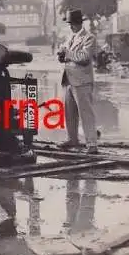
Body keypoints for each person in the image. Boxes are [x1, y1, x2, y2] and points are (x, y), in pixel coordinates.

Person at [57, 9, 99, 154]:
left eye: (72, 23)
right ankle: (72, 139)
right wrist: (61, 55)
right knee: (69, 112)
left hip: (82, 81)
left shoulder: (89, 38)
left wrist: (67, 54)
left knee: (86, 113)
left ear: (79, 23)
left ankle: (92, 144)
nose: (71, 26)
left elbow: (84, 57)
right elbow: (67, 54)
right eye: (69, 23)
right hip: (68, 79)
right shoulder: (71, 37)